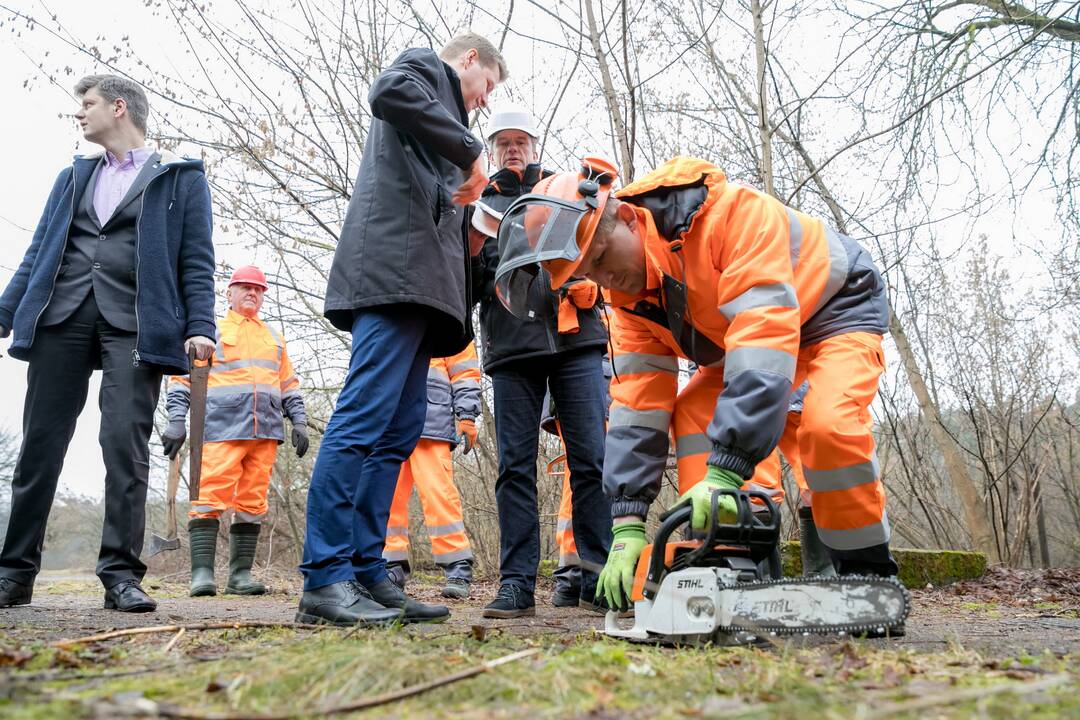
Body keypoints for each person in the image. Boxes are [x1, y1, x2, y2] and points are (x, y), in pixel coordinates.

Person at [493, 155, 897, 612]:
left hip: (832, 308)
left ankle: (868, 576)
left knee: (828, 427)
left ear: (627, 216)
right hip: (740, 343)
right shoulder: (627, 302)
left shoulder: (728, 216)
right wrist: (626, 521)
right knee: (693, 416)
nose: (606, 281)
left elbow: (763, 335)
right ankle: (729, 561)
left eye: (604, 258)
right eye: (590, 274)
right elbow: (638, 406)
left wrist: (725, 471)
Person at [296, 33, 507, 627]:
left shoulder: (442, 124)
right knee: (362, 419)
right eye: (487, 84)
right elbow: (387, 91)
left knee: (396, 432)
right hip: (392, 279)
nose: (484, 100)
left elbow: (447, 220)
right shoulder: (423, 70)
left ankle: (369, 574)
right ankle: (324, 578)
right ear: (469, 60)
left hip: (428, 297)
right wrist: (471, 153)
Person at [0, 74, 216, 612]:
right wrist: (5, 311)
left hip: (137, 324)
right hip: (62, 316)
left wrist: (201, 325)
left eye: (88, 104)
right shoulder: (72, 176)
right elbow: (39, 251)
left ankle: (120, 574)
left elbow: (196, 259)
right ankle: (14, 574)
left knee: (124, 447)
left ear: (119, 108)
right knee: (39, 448)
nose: (80, 114)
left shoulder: (181, 179)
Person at [472, 107, 611, 619]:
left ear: (534, 145)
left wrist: (590, 281)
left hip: (578, 342)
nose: (512, 149)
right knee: (513, 467)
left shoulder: (568, 191)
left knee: (592, 461)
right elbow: (472, 282)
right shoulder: (481, 207)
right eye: (502, 142)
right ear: (492, 150)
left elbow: (603, 249)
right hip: (512, 348)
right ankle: (516, 584)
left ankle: (600, 579)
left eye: (520, 141)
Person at [163, 265, 308, 597]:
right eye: (244, 287)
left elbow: (289, 384)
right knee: (208, 497)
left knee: (253, 503)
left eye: (257, 289)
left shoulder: (274, 337)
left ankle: (239, 576)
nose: (251, 293)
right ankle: (201, 575)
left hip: (266, 432)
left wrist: (298, 420)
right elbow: (183, 379)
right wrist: (175, 420)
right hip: (221, 429)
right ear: (229, 292)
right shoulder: (210, 331)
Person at [383, 342, 481, 599]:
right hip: (389, 423)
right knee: (386, 499)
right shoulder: (391, 314)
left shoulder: (452, 318)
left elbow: (465, 372)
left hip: (432, 422)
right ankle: (389, 567)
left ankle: (458, 568)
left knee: (439, 496)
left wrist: (467, 416)